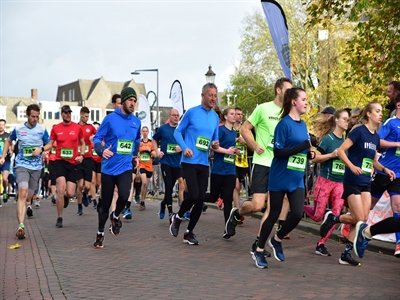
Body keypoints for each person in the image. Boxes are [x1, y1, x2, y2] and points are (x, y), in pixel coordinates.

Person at [320, 102, 395, 266]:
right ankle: (334, 218)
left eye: (381, 111)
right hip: (352, 180)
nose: (381, 114)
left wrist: (385, 169)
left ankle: (345, 251)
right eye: (377, 111)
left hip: (366, 181)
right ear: (369, 114)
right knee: (359, 218)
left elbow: (372, 161)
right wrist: (352, 167)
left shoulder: (375, 137)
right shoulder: (359, 131)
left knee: (362, 219)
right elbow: (340, 151)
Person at [249, 88, 314, 268]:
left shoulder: (303, 124)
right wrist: (301, 146)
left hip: (296, 178)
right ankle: (259, 250)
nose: (306, 102)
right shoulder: (283, 124)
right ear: (293, 102)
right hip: (279, 177)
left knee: (297, 214)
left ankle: (276, 240)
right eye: (304, 99)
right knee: (273, 214)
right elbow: (278, 152)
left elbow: (304, 148)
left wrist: (309, 154)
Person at [225, 78, 292, 245]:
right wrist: (254, 145)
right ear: (278, 90)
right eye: (287, 90)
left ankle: (259, 243)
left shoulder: (289, 113)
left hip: (279, 165)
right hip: (262, 162)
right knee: (256, 205)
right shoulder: (263, 108)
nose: (290, 94)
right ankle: (237, 213)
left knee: (272, 208)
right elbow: (244, 129)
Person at [169, 83, 220, 245]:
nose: (213, 98)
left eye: (215, 95)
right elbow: (177, 132)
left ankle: (189, 233)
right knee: (196, 194)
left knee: (199, 200)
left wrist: (216, 145)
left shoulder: (215, 117)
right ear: (202, 95)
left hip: (204, 163)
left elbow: (214, 140)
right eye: (210, 95)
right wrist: (184, 148)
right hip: (189, 161)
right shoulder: (192, 112)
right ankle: (177, 217)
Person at [93, 87, 141, 248]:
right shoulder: (110, 119)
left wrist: (135, 155)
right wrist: (101, 150)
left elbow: (137, 140)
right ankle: (100, 233)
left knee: (124, 196)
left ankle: (115, 215)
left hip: (126, 167)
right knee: (105, 204)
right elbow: (97, 138)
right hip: (108, 168)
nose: (132, 103)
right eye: (130, 100)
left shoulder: (136, 122)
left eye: (134, 101)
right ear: (123, 102)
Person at [0, 104, 51, 239]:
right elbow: (8, 141)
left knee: (28, 196)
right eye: (33, 116)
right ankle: (21, 225)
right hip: (21, 165)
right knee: (22, 192)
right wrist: (2, 156)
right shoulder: (18, 129)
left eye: (37, 117)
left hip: (36, 167)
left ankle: (26, 203)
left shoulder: (42, 129)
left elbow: (50, 144)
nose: (35, 119)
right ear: (27, 115)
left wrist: (41, 149)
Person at [303, 109, 349, 256]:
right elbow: (314, 158)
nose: (347, 122)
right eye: (344, 119)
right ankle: (298, 205)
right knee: (317, 216)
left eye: (348, 119)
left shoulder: (346, 142)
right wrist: (331, 154)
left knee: (335, 215)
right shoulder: (328, 139)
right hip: (325, 181)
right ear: (336, 120)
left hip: (340, 184)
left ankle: (321, 244)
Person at [370, 94, 400, 257]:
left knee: (398, 207)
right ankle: (350, 225)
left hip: (399, 175)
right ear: (398, 105)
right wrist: (396, 143)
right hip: (384, 171)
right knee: (370, 205)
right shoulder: (391, 122)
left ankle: (399, 244)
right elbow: (378, 141)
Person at [48, 105, 85, 228]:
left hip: (73, 163)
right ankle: (59, 217)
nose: (68, 114)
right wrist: (43, 149)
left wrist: (82, 155)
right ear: (62, 114)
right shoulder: (56, 128)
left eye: (69, 112)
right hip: (60, 162)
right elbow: (50, 143)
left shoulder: (77, 127)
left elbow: (83, 143)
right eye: (65, 113)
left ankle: (65, 197)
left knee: (69, 193)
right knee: (61, 189)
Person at [208, 107, 239, 238]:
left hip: (230, 169)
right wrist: (227, 151)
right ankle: (194, 198)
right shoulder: (220, 130)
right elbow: (212, 146)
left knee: (228, 197)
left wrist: (235, 151)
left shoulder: (234, 133)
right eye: (231, 114)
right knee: (213, 197)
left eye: (235, 114)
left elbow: (230, 149)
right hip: (218, 169)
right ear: (225, 117)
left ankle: (227, 228)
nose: (234, 116)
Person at [152, 109, 183, 220]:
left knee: (170, 187)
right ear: (169, 116)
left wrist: (182, 148)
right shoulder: (163, 129)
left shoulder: (181, 130)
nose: (176, 117)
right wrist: (157, 151)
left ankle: (163, 204)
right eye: (174, 115)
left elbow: (188, 143)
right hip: (166, 161)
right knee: (168, 185)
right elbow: (154, 140)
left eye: (177, 115)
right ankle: (170, 212)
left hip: (177, 163)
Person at [76, 107, 97, 215]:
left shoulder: (90, 127)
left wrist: (94, 138)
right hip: (78, 159)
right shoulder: (75, 127)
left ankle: (85, 194)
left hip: (88, 158)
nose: (86, 118)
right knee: (80, 185)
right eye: (85, 116)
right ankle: (79, 206)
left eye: (88, 116)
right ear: (81, 114)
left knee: (88, 186)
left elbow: (98, 135)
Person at [232, 107, 250, 215]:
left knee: (239, 189)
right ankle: (237, 213)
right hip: (233, 162)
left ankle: (234, 207)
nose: (240, 116)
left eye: (241, 114)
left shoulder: (245, 130)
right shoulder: (231, 129)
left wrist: (246, 141)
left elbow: (252, 144)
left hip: (243, 162)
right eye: (237, 114)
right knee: (236, 186)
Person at [137, 126, 156, 211]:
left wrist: (150, 151)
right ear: (141, 132)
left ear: (148, 132)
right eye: (143, 131)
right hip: (141, 166)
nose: (144, 133)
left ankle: (143, 200)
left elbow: (155, 154)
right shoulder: (139, 143)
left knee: (146, 185)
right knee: (144, 183)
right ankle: (141, 201)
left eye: (146, 131)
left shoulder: (151, 143)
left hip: (149, 166)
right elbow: (136, 154)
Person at [0, 119, 13, 203]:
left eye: (2, 125)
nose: (1, 126)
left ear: (5, 125)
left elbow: (12, 144)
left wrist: (11, 150)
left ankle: (5, 191)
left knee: (5, 179)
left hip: (6, 160)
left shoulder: (8, 135)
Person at [90, 121, 102, 209]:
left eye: (98, 128)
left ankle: (100, 200)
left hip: (100, 161)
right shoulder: (90, 138)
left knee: (99, 183)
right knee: (93, 181)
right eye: (95, 128)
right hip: (92, 161)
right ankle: (94, 200)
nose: (96, 129)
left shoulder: (103, 138)